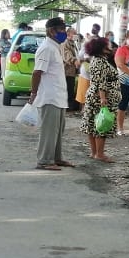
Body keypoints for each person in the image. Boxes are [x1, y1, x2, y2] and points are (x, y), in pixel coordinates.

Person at [27, 16, 75, 172]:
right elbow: (37, 73)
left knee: (58, 130)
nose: (64, 33)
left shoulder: (56, 47)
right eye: (61, 30)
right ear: (51, 31)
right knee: (49, 130)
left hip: (58, 96)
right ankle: (45, 160)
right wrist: (33, 93)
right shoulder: (46, 48)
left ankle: (56, 157)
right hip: (49, 96)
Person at [79, 36, 120, 162]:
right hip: (100, 98)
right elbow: (101, 83)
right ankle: (100, 154)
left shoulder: (95, 60)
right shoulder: (101, 62)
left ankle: (94, 152)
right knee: (101, 125)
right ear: (102, 48)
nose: (110, 47)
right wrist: (103, 99)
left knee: (92, 125)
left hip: (93, 96)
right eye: (107, 45)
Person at [61, 25, 82, 115]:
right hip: (67, 71)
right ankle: (66, 107)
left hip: (72, 71)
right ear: (68, 33)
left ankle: (69, 107)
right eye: (74, 33)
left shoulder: (73, 43)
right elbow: (67, 56)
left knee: (70, 89)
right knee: (68, 89)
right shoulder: (65, 43)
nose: (75, 35)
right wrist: (74, 61)